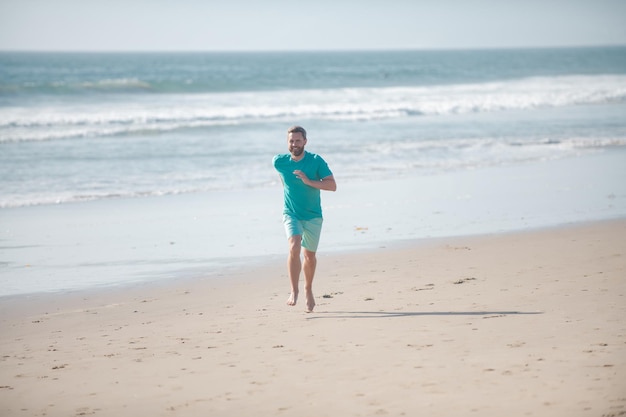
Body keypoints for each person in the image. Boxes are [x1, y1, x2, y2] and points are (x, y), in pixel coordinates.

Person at [273, 126, 337, 313]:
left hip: (313, 216)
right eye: (291, 141)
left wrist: (309, 182)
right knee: (294, 246)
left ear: (305, 142)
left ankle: (308, 289)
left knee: (309, 256)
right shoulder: (279, 162)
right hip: (291, 213)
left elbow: (332, 186)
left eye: (298, 141)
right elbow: (284, 180)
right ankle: (294, 290)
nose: (294, 144)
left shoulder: (316, 161)